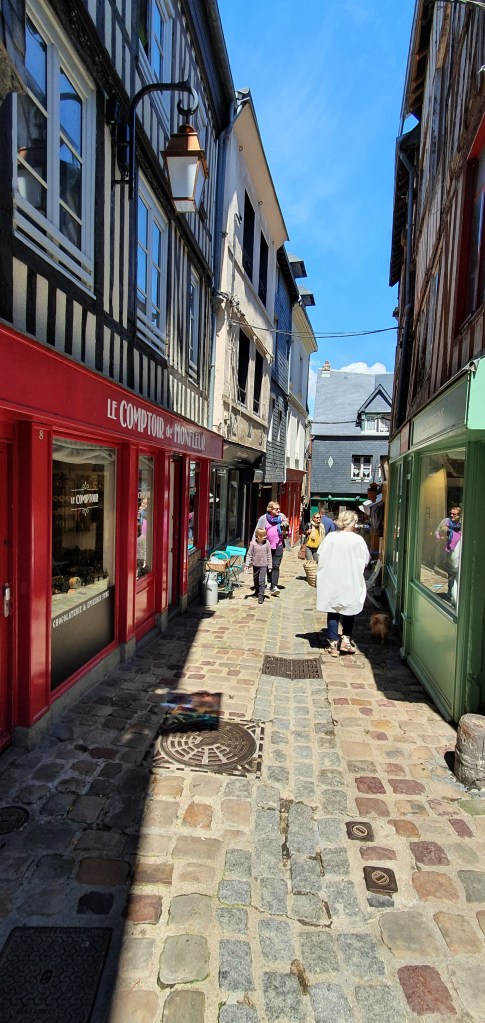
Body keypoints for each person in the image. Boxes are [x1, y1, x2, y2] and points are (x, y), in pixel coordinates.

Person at [316, 509, 370, 657]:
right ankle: (346, 640)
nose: (355, 525)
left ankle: (333, 644)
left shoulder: (331, 537)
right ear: (350, 522)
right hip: (350, 578)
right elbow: (365, 559)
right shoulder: (358, 540)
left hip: (333, 578)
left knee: (333, 609)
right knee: (349, 608)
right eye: (355, 522)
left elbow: (320, 555)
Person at [254, 500, 289, 595]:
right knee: (267, 565)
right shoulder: (263, 518)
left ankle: (274, 586)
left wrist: (286, 532)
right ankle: (268, 582)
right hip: (266, 546)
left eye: (279, 508)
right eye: (276, 509)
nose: (278, 510)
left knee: (275, 566)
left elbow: (287, 531)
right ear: (270, 509)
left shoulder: (282, 517)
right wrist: (254, 544)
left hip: (278, 545)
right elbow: (257, 531)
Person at [434, 505, 462, 602]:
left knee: (459, 575)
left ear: (460, 515)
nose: (452, 515)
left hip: (460, 552)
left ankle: (457, 595)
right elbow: (437, 532)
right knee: (451, 574)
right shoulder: (445, 521)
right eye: (451, 513)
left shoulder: (463, 524)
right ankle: (451, 593)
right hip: (449, 551)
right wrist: (440, 536)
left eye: (454, 514)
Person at [245, 527, 272, 604]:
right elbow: (249, 554)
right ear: (258, 536)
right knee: (255, 579)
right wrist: (247, 565)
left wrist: (270, 566)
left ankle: (261, 596)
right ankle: (257, 591)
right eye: (264, 535)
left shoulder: (267, 543)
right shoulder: (253, 544)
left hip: (264, 565)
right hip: (255, 565)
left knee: (262, 581)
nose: (265, 536)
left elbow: (269, 555)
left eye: (265, 535)